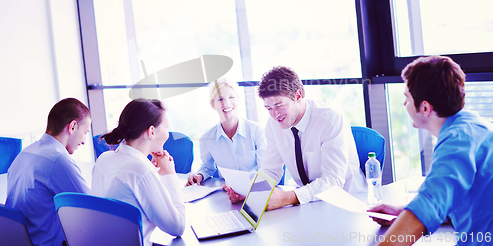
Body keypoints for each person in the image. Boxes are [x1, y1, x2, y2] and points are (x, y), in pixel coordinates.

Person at [370, 55, 493, 245]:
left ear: (425, 107)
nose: (405, 105)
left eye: (407, 98)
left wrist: (414, 218)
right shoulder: (474, 127)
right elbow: (457, 201)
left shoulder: (457, 141)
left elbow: (430, 203)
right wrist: (404, 212)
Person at [228, 66, 366, 210]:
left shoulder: (331, 119)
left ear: (298, 96)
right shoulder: (274, 124)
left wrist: (287, 198)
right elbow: (271, 170)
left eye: (279, 105)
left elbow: (333, 181)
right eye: (269, 108)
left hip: (348, 203)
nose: (275, 115)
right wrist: (251, 192)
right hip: (309, 204)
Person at [91, 98, 185, 245]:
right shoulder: (141, 170)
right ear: (151, 132)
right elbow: (177, 226)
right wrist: (170, 175)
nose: (168, 134)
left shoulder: (104, 159)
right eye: (166, 127)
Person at [6, 98, 91, 246]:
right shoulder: (57, 160)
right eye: (85, 132)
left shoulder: (25, 154)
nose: (84, 141)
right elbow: (92, 210)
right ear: (73, 126)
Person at [186, 78, 266, 186]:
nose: (227, 103)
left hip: (254, 189)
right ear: (213, 104)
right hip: (226, 194)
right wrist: (199, 175)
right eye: (220, 99)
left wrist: (241, 186)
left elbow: (264, 169)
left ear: (238, 100)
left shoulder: (257, 131)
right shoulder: (207, 139)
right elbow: (207, 167)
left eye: (231, 97)